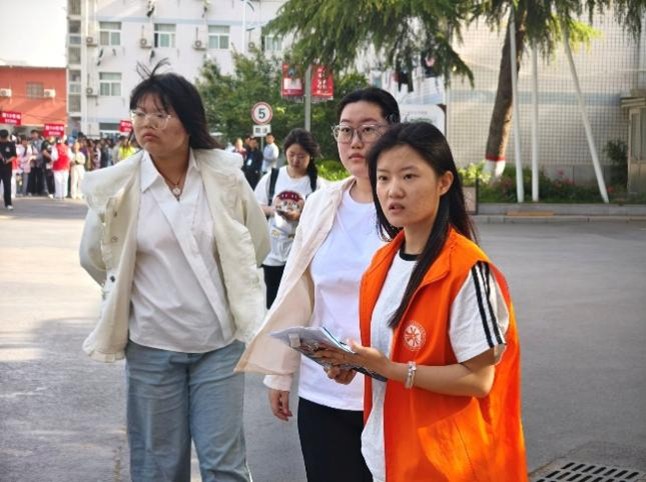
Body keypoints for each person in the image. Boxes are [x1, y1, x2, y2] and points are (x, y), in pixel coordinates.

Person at [79, 61, 269, 482]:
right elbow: (94, 257)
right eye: (140, 112)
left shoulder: (224, 177)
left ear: (188, 121)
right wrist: (130, 294)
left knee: (224, 466)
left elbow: (256, 243)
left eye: (161, 113)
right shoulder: (118, 187)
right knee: (157, 468)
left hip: (218, 346)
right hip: (151, 346)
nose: (147, 123)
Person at [321, 122, 528, 482]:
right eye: (383, 178)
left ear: (444, 182)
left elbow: (479, 379)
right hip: (390, 454)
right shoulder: (382, 262)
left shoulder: (466, 269)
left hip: (448, 464)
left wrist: (391, 369)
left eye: (409, 176)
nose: (393, 190)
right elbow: (395, 356)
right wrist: (358, 364)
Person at [237, 87, 401, 482]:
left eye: (368, 129)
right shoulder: (322, 203)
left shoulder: (406, 205)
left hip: (390, 389)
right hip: (322, 390)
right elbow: (298, 293)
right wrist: (280, 374)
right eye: (345, 130)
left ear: (394, 130)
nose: (355, 141)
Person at [254, 128, 325, 308]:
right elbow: (256, 206)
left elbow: (323, 218)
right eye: (291, 154)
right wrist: (275, 210)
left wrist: (300, 216)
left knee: (299, 305)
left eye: (301, 156)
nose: (295, 160)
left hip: (303, 255)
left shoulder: (317, 184)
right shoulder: (273, 177)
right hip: (274, 253)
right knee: (274, 305)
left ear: (310, 156)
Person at [0, 129, 17, 210]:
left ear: (7, 137)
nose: (2, 139)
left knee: (7, 186)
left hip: (7, 169)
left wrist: (7, 160)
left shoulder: (11, 144)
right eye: (1, 138)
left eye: (4, 138)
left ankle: (8, 204)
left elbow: (14, 155)